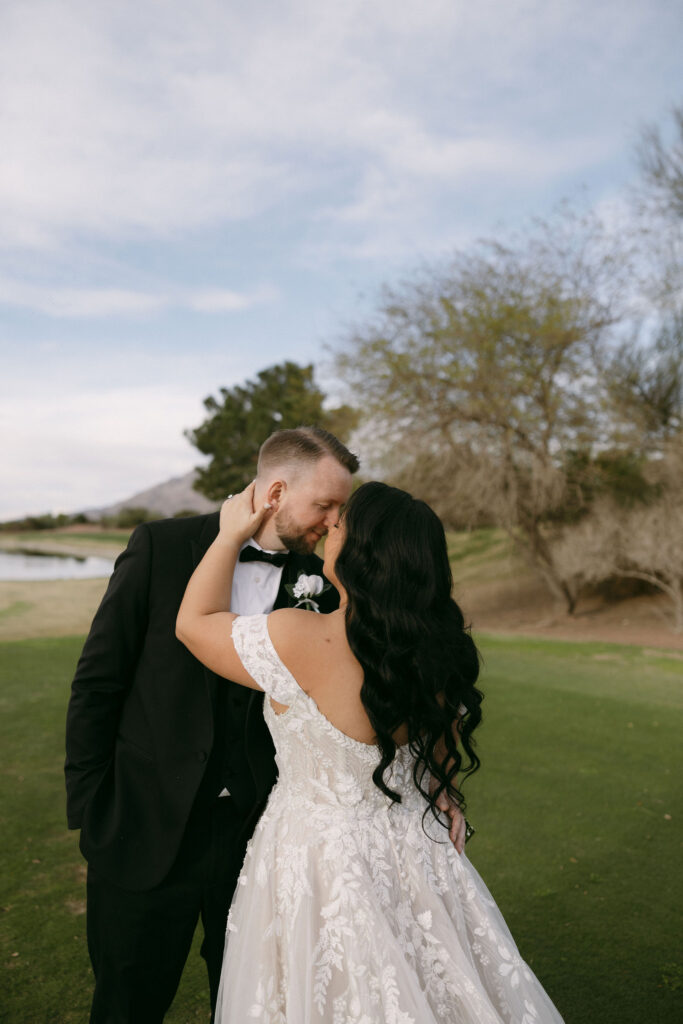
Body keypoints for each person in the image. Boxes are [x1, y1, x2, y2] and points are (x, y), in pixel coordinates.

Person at [176, 480, 566, 1023]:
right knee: (434, 979)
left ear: (362, 552)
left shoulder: (300, 636)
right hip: (415, 849)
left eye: (337, 527)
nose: (326, 531)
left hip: (317, 859)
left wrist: (229, 535)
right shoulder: (438, 648)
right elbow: (435, 747)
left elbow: (193, 624)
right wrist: (442, 787)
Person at [65, 426, 366, 1023]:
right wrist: (92, 808)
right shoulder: (161, 546)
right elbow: (98, 684)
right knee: (127, 1004)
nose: (334, 523)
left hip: (261, 835)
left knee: (254, 1004)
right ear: (276, 491)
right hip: (142, 828)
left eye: (341, 509)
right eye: (325, 505)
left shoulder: (326, 582)